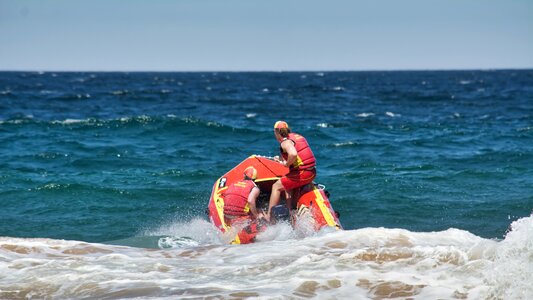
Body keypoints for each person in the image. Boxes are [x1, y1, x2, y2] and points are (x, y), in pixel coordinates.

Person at [266, 121, 316, 221]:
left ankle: (268, 216)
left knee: (276, 186)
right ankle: (291, 210)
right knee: (287, 184)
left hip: (303, 174)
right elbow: (299, 156)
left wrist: (286, 164)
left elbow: (293, 154)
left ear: (277, 132)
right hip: (312, 172)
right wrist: (281, 160)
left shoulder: (285, 142)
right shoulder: (296, 136)